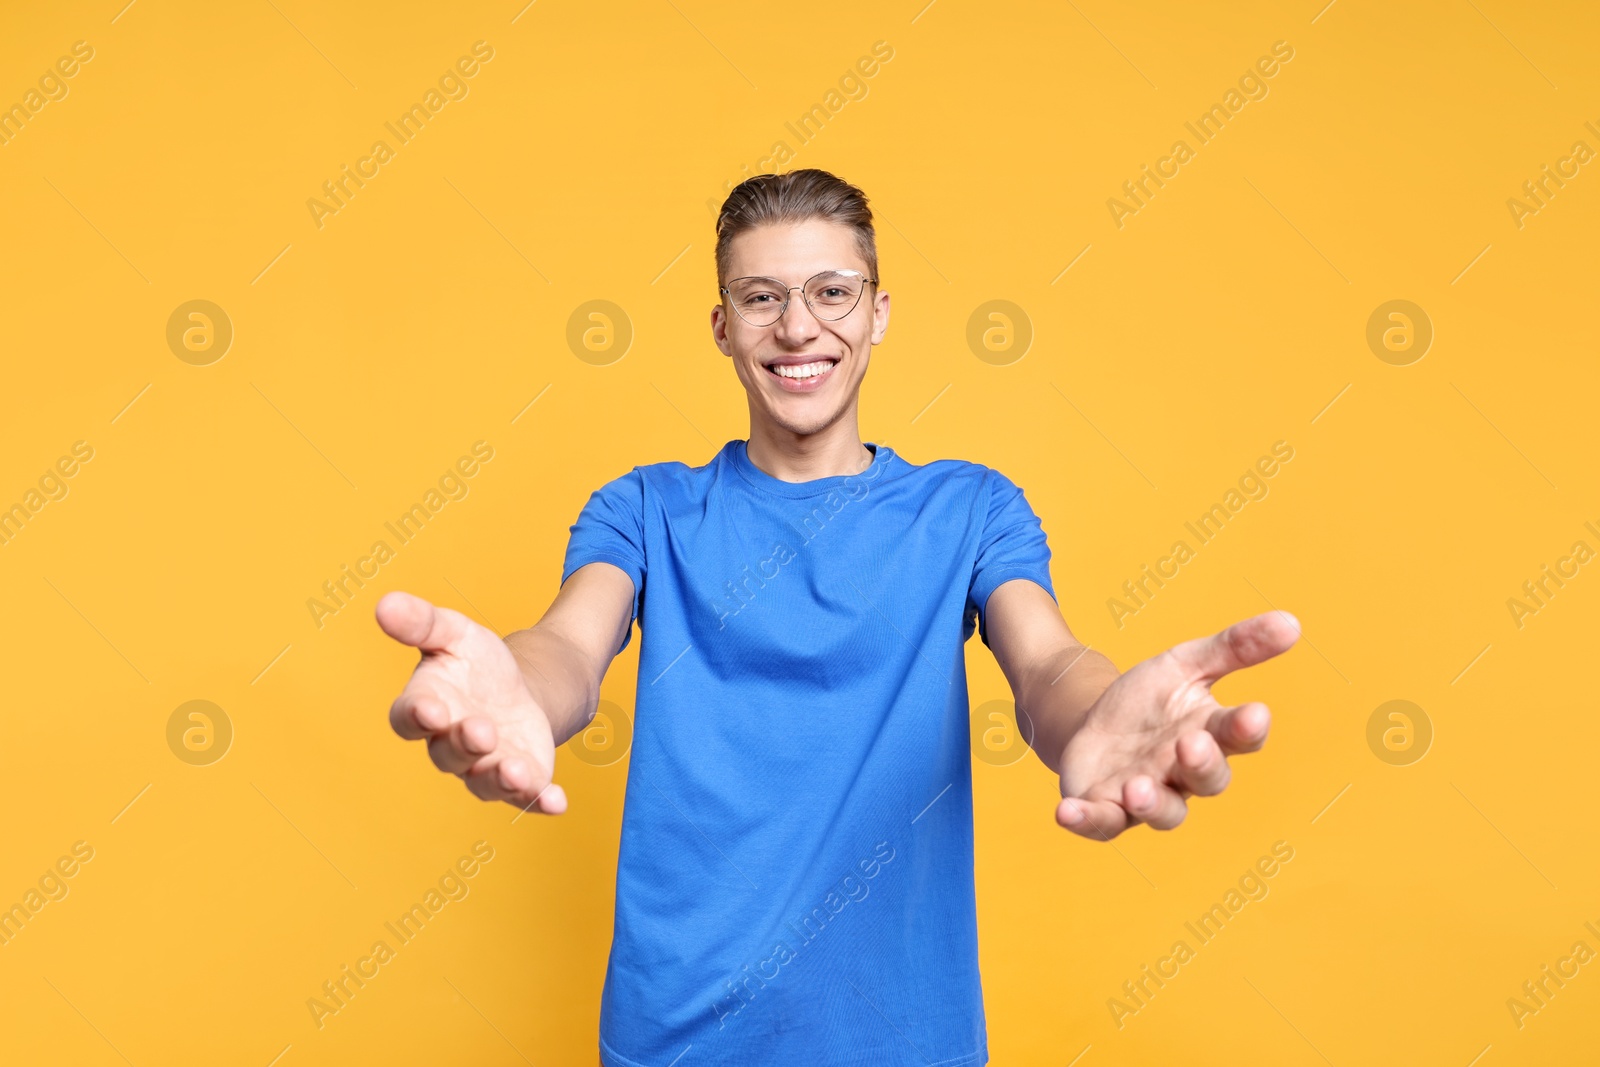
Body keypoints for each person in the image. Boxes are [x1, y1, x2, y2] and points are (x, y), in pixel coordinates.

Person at [375, 168, 1300, 1066]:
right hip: (677, 1031)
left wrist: (1101, 714)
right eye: (761, 297)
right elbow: (568, 649)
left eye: (831, 291)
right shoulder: (646, 509)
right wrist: (518, 694)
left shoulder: (969, 509)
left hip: (903, 1033)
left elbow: (1049, 665)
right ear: (722, 326)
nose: (798, 326)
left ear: (879, 313)